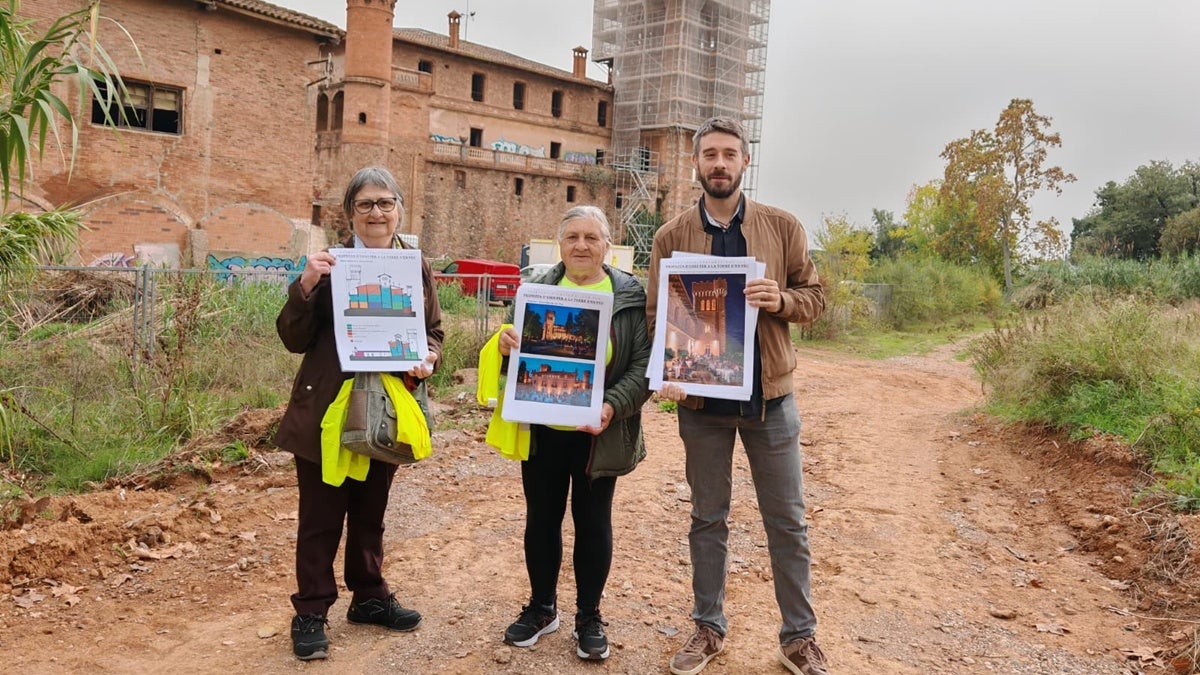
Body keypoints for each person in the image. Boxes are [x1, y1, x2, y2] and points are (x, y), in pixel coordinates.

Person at [647, 117, 829, 675]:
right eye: (710, 155)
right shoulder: (670, 237)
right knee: (707, 518)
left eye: (729, 154)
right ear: (695, 163)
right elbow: (658, 319)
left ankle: (798, 637)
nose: (719, 164)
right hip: (703, 408)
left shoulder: (782, 227)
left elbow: (816, 297)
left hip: (770, 402)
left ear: (745, 162)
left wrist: (781, 300)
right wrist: (666, 370)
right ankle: (708, 628)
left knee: (788, 521)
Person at [273, 166, 443, 661]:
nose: (377, 213)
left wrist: (428, 357)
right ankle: (311, 610)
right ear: (350, 212)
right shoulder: (329, 266)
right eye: (366, 204)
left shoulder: (414, 265)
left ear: (399, 210)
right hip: (329, 406)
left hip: (387, 405)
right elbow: (292, 337)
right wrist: (305, 285)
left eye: (386, 203)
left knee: (371, 513)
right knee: (321, 516)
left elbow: (433, 331)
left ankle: (369, 597)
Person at [494, 205, 651, 661]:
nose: (581, 245)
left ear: (608, 245)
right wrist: (505, 345)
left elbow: (642, 368)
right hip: (542, 429)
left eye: (591, 237)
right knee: (540, 518)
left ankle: (588, 615)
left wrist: (610, 405)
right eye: (572, 237)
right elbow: (515, 359)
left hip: (598, 431)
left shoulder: (628, 295)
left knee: (593, 522)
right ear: (559, 244)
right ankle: (542, 607)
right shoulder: (537, 289)